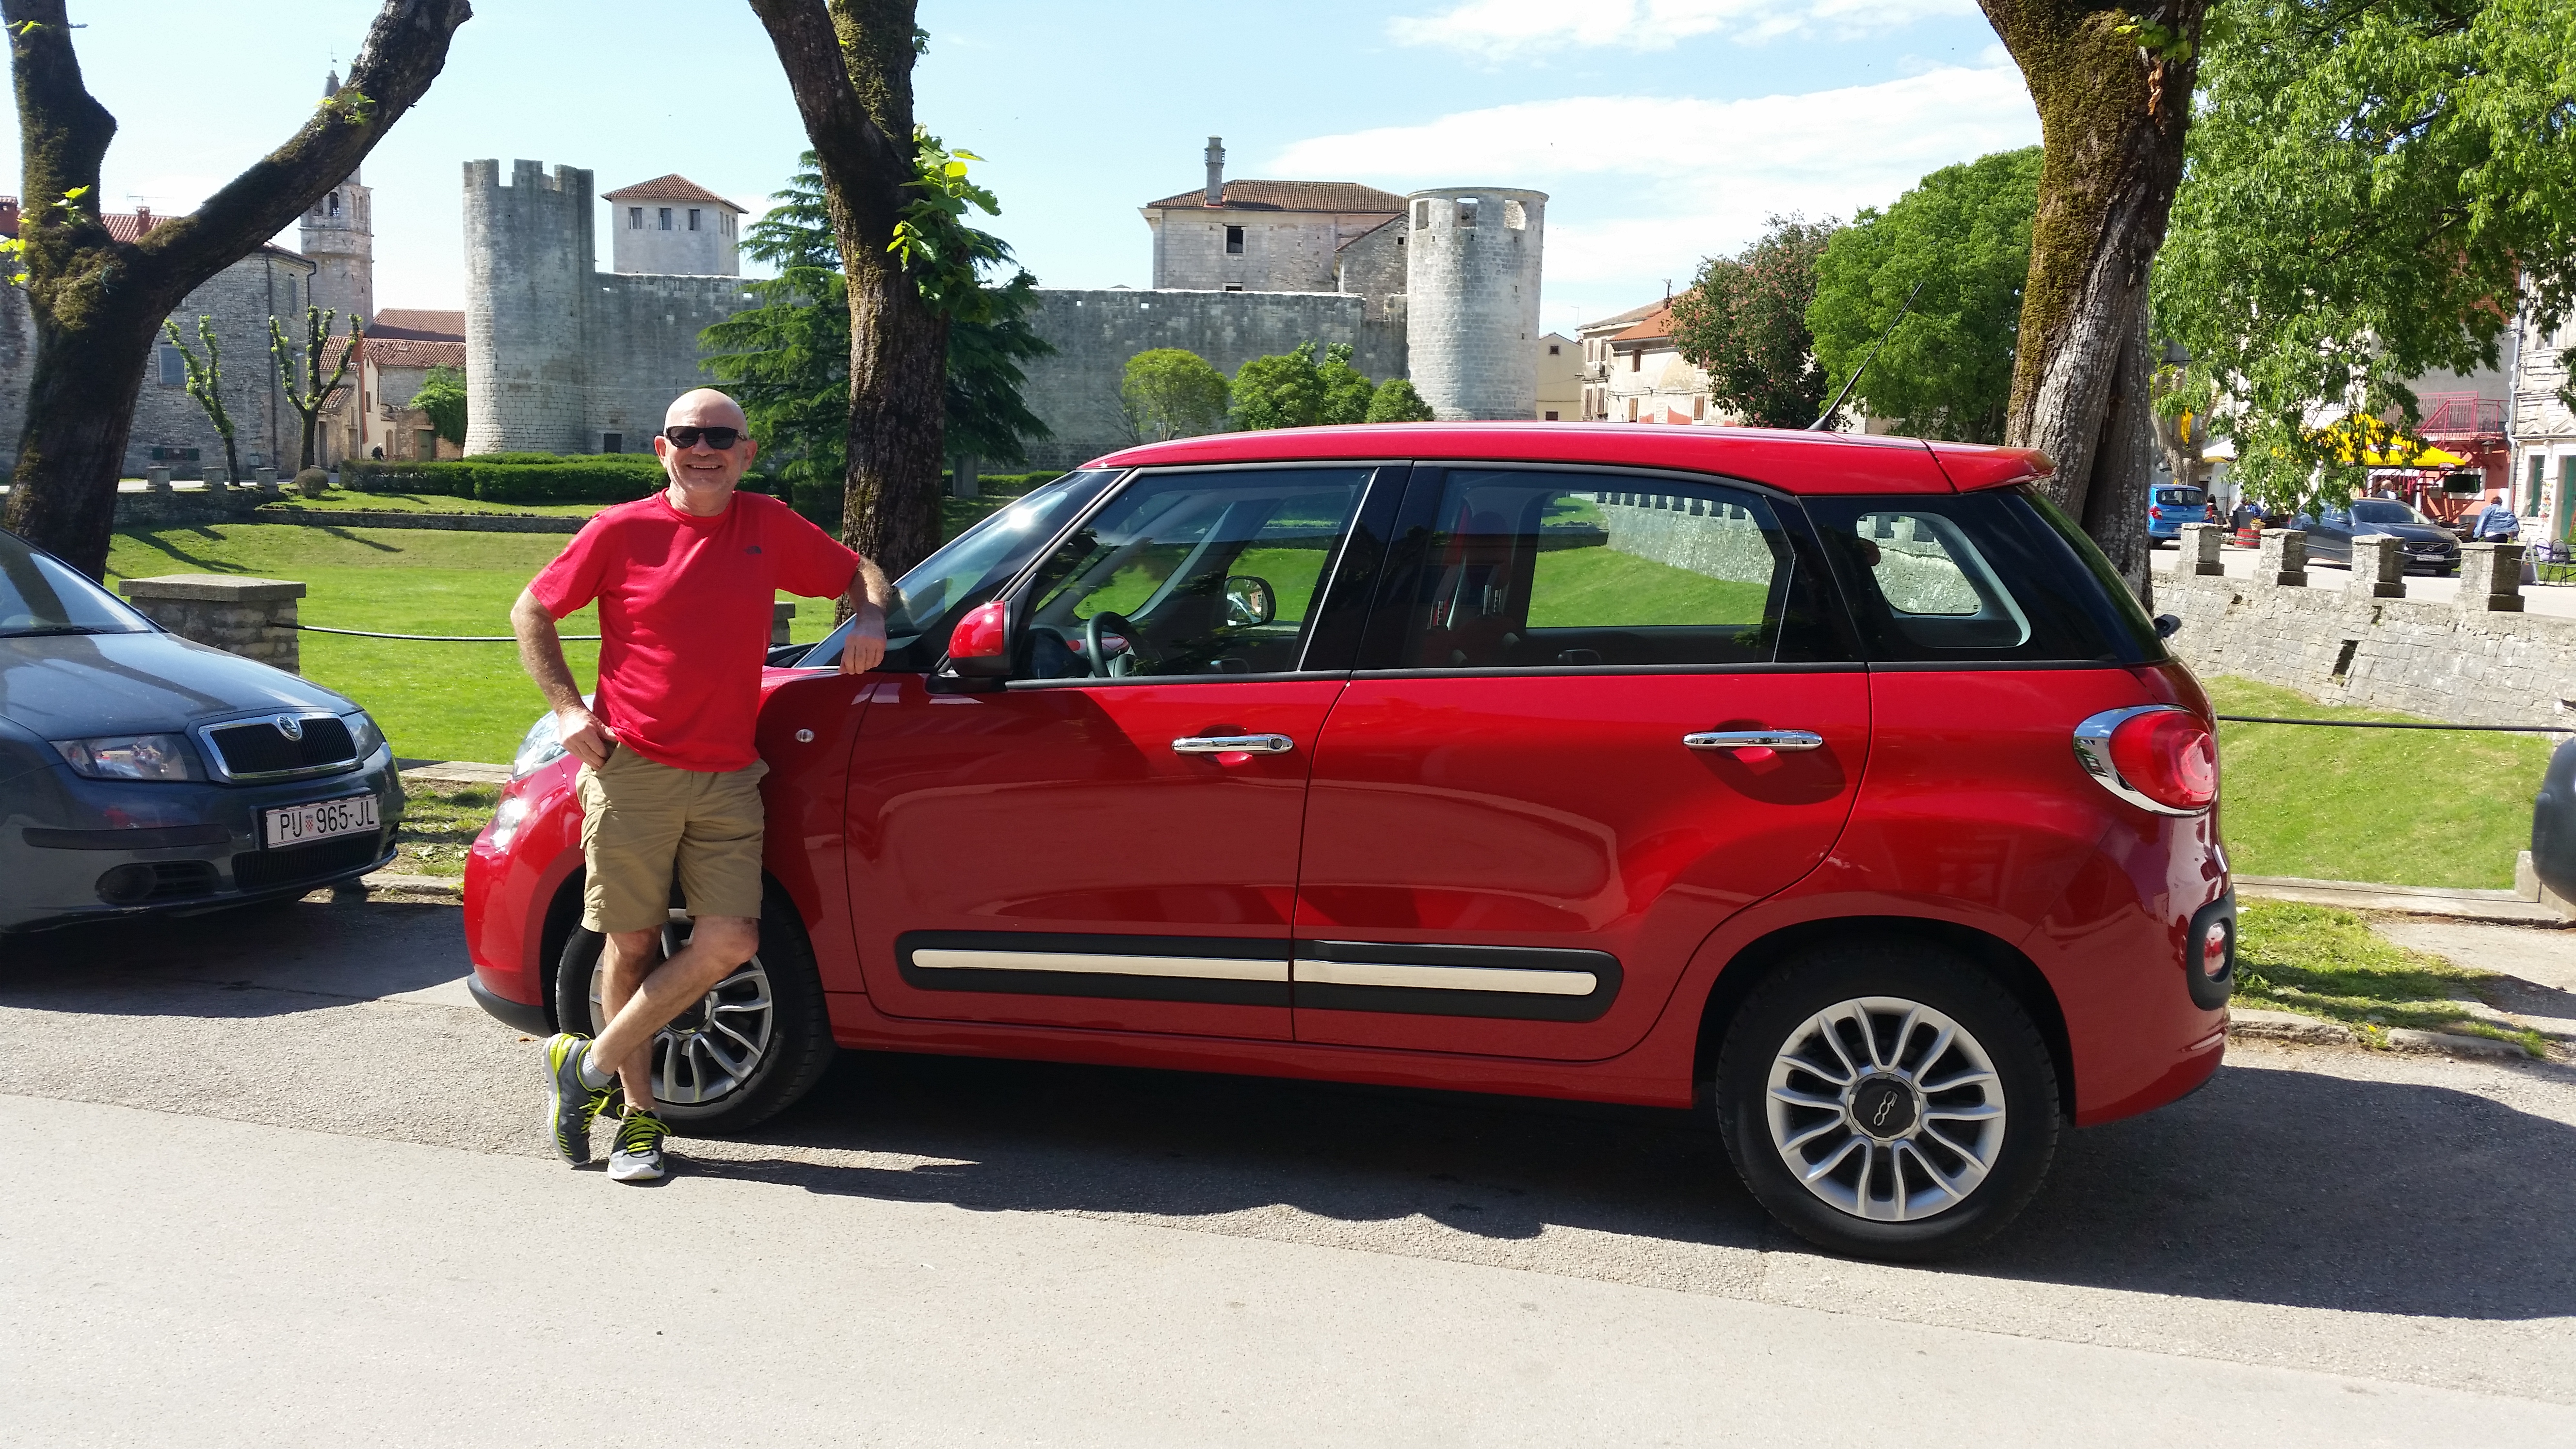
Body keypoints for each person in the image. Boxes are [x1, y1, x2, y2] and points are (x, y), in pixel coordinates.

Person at [511, 388, 891, 1183]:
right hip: (634, 769)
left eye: (721, 436)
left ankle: (583, 1069)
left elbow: (859, 570)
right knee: (633, 943)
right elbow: (531, 611)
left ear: (746, 453)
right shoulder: (621, 530)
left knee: (730, 942)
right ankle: (641, 1125)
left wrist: (870, 617)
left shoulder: (767, 524)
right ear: (663, 449)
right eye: (688, 435)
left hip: (728, 776)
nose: (704, 448)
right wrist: (568, 709)